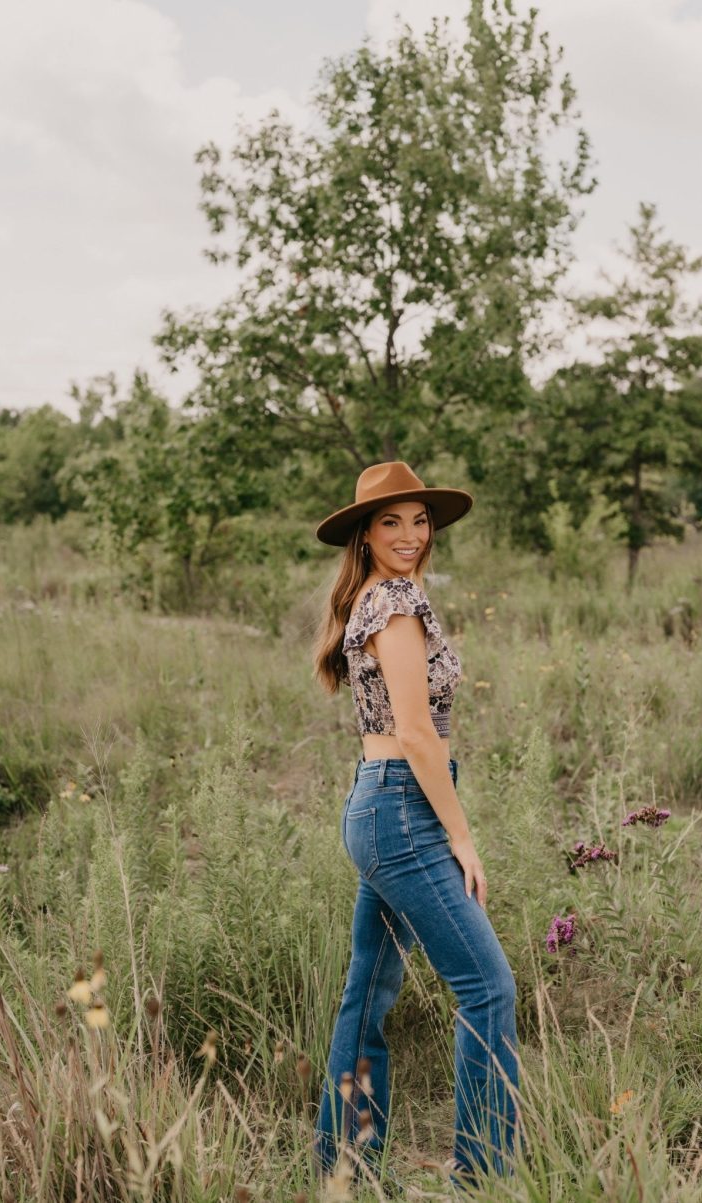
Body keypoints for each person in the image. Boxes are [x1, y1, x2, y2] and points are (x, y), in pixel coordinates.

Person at [310, 461, 522, 1195]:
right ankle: (486, 1174)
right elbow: (418, 732)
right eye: (391, 521)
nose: (409, 534)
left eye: (419, 519)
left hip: (378, 803)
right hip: (403, 806)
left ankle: (345, 1162)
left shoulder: (371, 598)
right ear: (365, 534)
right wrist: (461, 835)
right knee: (488, 988)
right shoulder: (395, 602)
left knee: (367, 992)